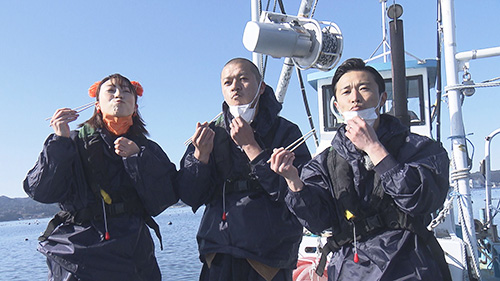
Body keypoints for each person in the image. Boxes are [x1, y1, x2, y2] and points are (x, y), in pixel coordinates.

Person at [270, 58, 452, 281]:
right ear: (337, 105)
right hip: (350, 269)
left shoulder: (421, 148)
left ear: (382, 98)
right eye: (346, 92)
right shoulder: (325, 161)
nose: (355, 98)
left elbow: (421, 200)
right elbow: (319, 222)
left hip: (410, 266)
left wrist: (374, 148)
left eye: (364, 88)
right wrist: (293, 181)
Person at [23, 74, 178, 281]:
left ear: (135, 105)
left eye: (125, 91)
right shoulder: (72, 143)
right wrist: (59, 141)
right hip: (77, 256)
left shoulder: (147, 148)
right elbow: (40, 191)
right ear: (97, 104)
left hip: (134, 255)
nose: (118, 95)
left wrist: (138, 158)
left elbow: (164, 199)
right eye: (111, 90)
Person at [177, 58, 311, 281]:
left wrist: (252, 147)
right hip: (218, 251)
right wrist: (200, 157)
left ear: (261, 87)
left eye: (244, 79)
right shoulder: (211, 133)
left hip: (268, 256)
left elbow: (294, 193)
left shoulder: (286, 131)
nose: (235, 87)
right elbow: (191, 196)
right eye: (227, 82)